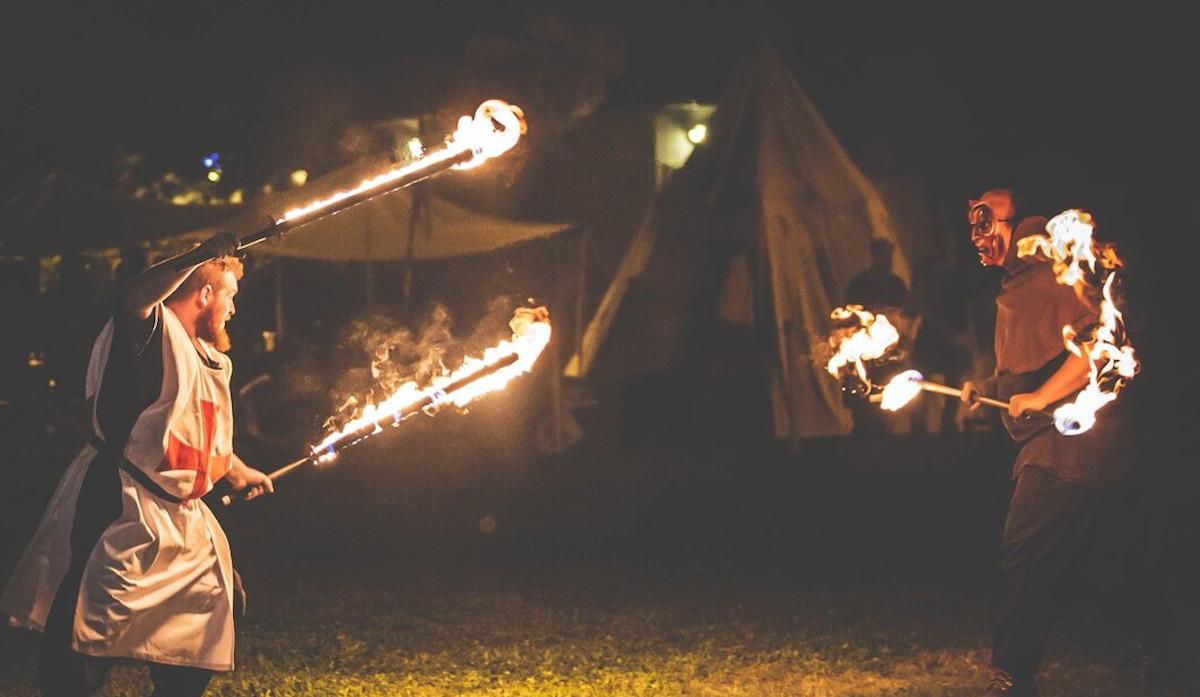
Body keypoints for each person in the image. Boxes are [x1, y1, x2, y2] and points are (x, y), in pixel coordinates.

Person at [1, 231, 274, 697]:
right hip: (126, 501)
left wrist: (235, 468)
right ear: (204, 293)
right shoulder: (152, 331)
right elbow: (133, 297)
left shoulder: (211, 358)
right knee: (92, 622)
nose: (233, 308)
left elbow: (190, 429)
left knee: (220, 599)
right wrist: (204, 253)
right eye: (229, 295)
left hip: (184, 515)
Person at [959, 189, 1177, 695]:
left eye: (984, 220)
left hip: (1070, 447)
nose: (975, 234)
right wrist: (986, 388)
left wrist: (1041, 396)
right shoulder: (1016, 286)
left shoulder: (1052, 274)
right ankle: (1169, 662)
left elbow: (1099, 346)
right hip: (1065, 450)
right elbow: (1026, 364)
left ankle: (1011, 675)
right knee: (1121, 560)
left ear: (1016, 222)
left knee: (1027, 554)